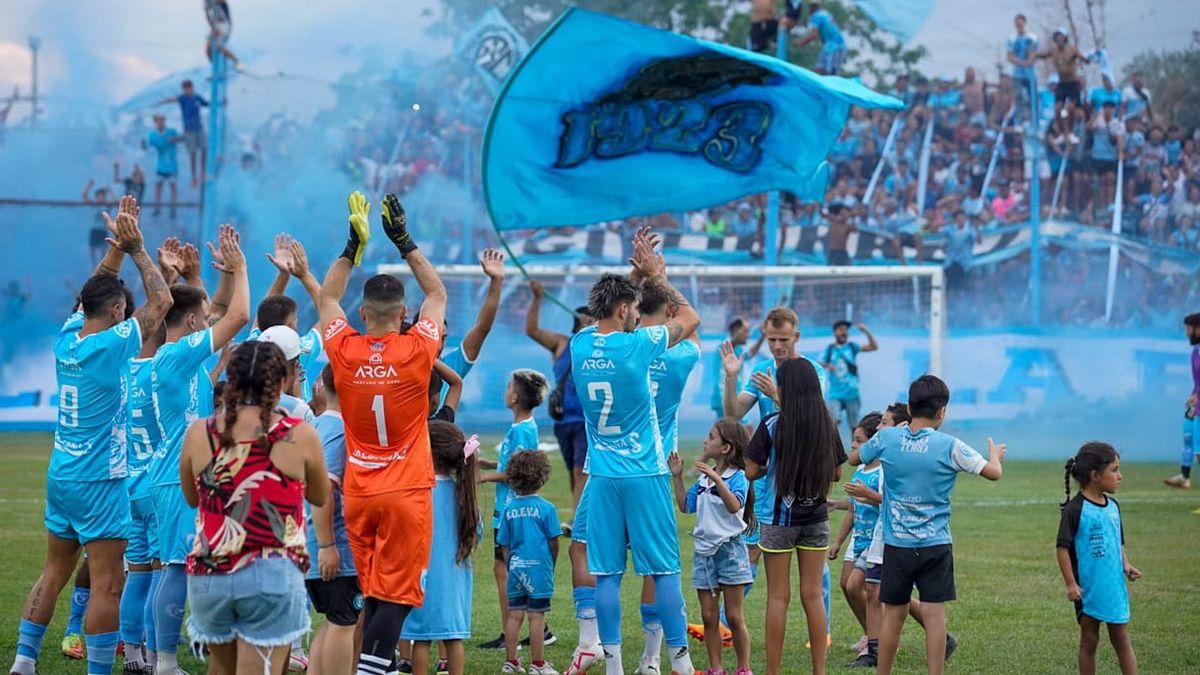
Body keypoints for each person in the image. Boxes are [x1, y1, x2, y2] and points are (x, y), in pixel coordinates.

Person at [10, 195, 172, 675]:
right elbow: (162, 300)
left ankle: (23, 662)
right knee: (106, 585)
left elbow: (91, 294)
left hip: (63, 472)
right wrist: (138, 249)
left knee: (54, 571)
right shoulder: (112, 343)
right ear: (119, 309)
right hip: (102, 480)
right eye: (123, 309)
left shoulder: (67, 338)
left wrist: (116, 250)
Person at [317, 191, 447, 675]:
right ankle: (375, 668)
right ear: (403, 312)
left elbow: (328, 297)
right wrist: (404, 240)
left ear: (364, 314)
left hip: (359, 492)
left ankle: (382, 665)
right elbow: (437, 295)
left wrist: (353, 245)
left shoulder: (345, 351)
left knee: (374, 590)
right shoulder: (417, 351)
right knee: (398, 595)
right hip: (405, 490)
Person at [569, 227, 701, 675]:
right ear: (626, 311)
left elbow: (605, 313)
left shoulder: (580, 344)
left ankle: (613, 665)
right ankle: (679, 663)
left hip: (602, 476)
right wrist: (655, 277)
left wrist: (630, 279)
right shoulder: (640, 344)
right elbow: (691, 320)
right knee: (663, 570)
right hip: (646, 472)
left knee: (607, 574)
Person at [179, 341, 329, 675]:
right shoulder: (300, 434)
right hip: (271, 570)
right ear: (281, 382)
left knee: (221, 668)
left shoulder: (199, 433)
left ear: (230, 381)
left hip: (210, 571)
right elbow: (320, 495)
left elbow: (192, 498)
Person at [848, 375, 1006, 675]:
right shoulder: (950, 446)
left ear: (909, 406)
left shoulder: (887, 438)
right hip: (935, 544)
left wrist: (867, 448)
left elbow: (856, 457)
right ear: (942, 412)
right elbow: (993, 473)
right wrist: (995, 456)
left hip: (897, 545)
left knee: (894, 615)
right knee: (935, 616)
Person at [148, 224, 250, 675]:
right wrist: (242, 267)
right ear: (191, 325)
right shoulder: (174, 357)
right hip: (176, 478)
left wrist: (202, 277)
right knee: (173, 569)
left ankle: (155, 656)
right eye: (202, 319)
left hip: (171, 475)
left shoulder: (179, 355)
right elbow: (238, 316)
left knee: (166, 570)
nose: (209, 319)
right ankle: (165, 661)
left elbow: (219, 309)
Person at [720, 306, 832, 650]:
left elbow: (812, 418)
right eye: (772, 339)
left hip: (805, 482)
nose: (778, 346)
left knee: (814, 569)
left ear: (796, 337)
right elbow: (733, 412)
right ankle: (727, 627)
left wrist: (775, 396)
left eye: (783, 339)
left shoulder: (813, 372)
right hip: (769, 483)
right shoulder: (762, 370)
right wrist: (731, 376)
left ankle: (820, 634)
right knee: (753, 551)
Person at [744, 358, 846, 675]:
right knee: (813, 595)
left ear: (783, 389)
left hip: (778, 519)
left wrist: (766, 465)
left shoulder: (772, 423)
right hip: (816, 517)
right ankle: (819, 671)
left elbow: (750, 471)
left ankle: (772, 671)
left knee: (778, 597)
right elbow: (837, 472)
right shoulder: (827, 424)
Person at [633, 277, 702, 673]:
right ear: (671, 313)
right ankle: (654, 657)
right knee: (658, 565)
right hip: (658, 465)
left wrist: (640, 281)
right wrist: (660, 275)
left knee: (598, 562)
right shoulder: (682, 356)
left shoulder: (626, 349)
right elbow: (693, 328)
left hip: (612, 464)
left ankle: (597, 647)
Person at [668, 419, 755, 675]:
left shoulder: (738, 477)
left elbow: (733, 506)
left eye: (711, 436)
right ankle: (716, 668)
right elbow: (686, 506)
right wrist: (678, 477)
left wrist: (716, 477)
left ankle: (743, 668)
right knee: (708, 616)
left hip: (731, 552)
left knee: (734, 616)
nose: (706, 440)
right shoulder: (705, 481)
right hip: (704, 554)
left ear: (726, 448)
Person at [401, 420, 481, 675]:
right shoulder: (463, 495)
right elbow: (475, 530)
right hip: (454, 580)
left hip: (422, 577)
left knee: (421, 639)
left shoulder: (418, 493)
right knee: (453, 637)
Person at [479, 369, 550, 651]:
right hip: (509, 509)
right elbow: (509, 466)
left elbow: (516, 473)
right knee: (508, 567)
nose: (506, 389)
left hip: (510, 510)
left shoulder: (521, 430)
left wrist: (483, 477)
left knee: (505, 569)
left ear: (516, 396)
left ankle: (512, 631)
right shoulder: (521, 426)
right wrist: (482, 463)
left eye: (509, 386)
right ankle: (537, 628)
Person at [1057, 442, 1141, 675]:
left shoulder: (1113, 507)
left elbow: (1118, 541)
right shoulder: (1075, 509)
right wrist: (1071, 584)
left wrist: (1126, 564)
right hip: (1088, 590)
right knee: (1089, 641)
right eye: (1114, 470)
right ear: (1095, 475)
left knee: (1122, 640)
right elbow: (1062, 549)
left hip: (1114, 587)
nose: (1120, 476)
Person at [305, 366, 362, 675]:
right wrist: (328, 545)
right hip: (334, 549)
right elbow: (323, 488)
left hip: (314, 544)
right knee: (345, 624)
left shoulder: (316, 425)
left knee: (332, 623)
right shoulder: (338, 431)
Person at [526, 281, 596, 507]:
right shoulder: (562, 343)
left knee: (580, 472)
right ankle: (581, 513)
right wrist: (537, 298)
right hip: (563, 418)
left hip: (586, 419)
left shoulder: (598, 344)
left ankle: (578, 521)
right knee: (572, 472)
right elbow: (532, 331)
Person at [498, 450, 563, 675]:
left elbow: (503, 544)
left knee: (514, 614)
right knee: (537, 616)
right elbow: (555, 541)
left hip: (515, 568)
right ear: (541, 476)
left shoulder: (509, 510)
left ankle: (511, 662)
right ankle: (538, 665)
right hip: (539, 570)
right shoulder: (547, 508)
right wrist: (550, 564)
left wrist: (510, 565)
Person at [827, 412, 883, 668]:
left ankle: (877, 640)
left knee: (854, 587)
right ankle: (870, 634)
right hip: (857, 539)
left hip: (875, 540)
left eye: (858, 441)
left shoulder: (884, 471)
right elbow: (852, 507)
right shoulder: (860, 469)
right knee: (844, 584)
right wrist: (838, 541)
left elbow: (886, 502)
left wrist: (866, 494)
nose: (853, 446)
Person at [255, 233, 324, 401]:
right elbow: (329, 315)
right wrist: (304, 275)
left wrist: (283, 275)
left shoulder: (253, 345)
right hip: (297, 423)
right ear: (292, 326)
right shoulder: (302, 350)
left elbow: (261, 314)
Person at [820, 321, 878, 433]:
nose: (844, 332)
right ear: (835, 332)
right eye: (841, 329)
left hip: (852, 392)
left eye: (846, 330)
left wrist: (866, 331)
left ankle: (854, 449)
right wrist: (828, 365)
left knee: (855, 427)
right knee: (833, 423)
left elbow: (874, 347)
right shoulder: (830, 349)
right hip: (835, 393)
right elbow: (819, 362)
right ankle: (833, 449)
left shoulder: (852, 347)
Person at [1164, 312, 1200, 490]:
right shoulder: (1196, 351)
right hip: (1198, 405)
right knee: (1194, 445)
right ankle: (1184, 476)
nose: (1187, 333)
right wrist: (1194, 396)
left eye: (1189, 329)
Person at [156, 80, 209, 188]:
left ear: (192, 88)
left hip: (199, 128)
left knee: (204, 150)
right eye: (185, 89)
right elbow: (171, 99)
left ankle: (203, 173)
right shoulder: (182, 98)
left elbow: (207, 104)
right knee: (193, 154)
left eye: (189, 88)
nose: (187, 90)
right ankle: (194, 177)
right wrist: (161, 102)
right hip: (189, 130)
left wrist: (220, 103)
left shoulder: (197, 97)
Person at [709, 317, 760, 421]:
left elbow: (750, 354)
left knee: (729, 431)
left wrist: (763, 336)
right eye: (745, 331)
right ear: (736, 330)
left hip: (733, 395)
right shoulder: (725, 345)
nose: (748, 335)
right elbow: (732, 341)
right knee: (736, 429)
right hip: (723, 394)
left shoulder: (737, 349)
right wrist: (737, 334)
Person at [792, 2, 846, 76]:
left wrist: (801, 42)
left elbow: (813, 35)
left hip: (835, 47)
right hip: (830, 45)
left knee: (829, 72)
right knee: (820, 69)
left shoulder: (816, 16)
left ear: (812, 7)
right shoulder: (825, 13)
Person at [1038, 29, 1087, 107]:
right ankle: (1058, 119)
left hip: (1073, 83)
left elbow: (1082, 58)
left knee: (1071, 107)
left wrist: (1087, 59)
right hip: (1062, 83)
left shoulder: (1072, 49)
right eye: (1057, 38)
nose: (1059, 40)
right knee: (1058, 107)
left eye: (1061, 38)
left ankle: (1072, 117)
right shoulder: (1053, 50)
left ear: (1065, 39)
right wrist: (1033, 54)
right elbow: (1043, 55)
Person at [144, 114, 182, 217]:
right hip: (161, 165)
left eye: (163, 120)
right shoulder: (152, 135)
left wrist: (175, 139)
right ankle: (157, 206)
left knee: (173, 185)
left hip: (172, 165)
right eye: (159, 120)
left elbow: (181, 138)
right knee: (158, 185)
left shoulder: (171, 132)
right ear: (155, 122)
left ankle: (173, 207)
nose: (161, 122)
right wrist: (143, 145)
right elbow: (147, 147)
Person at [1006, 14, 1038, 106]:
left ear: (1024, 23)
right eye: (1017, 23)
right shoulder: (1011, 38)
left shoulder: (1032, 37)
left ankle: (1034, 118)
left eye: (1020, 22)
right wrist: (1023, 63)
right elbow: (1009, 57)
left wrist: (1028, 62)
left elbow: (1033, 54)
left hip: (1030, 74)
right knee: (1018, 97)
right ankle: (1020, 119)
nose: (1019, 24)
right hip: (1017, 74)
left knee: (1033, 98)